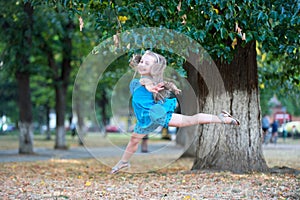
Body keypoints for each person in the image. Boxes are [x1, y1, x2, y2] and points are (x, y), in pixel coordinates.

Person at [110, 50, 240, 174]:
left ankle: (221, 118)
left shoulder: (149, 82)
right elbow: (143, 82)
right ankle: (123, 162)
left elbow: (147, 83)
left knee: (190, 120)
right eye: (142, 61)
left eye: (147, 63)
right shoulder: (136, 82)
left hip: (156, 116)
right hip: (145, 120)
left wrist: (151, 87)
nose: (142, 64)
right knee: (133, 140)